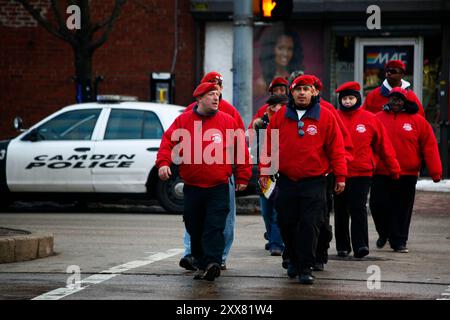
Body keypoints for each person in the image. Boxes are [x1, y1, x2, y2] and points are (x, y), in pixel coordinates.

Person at [156, 82, 252, 281]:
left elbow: (240, 149)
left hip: (219, 186)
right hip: (192, 187)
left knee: (215, 226)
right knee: (195, 226)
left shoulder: (227, 121)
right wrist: (163, 163)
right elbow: (168, 142)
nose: (216, 98)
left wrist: (243, 176)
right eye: (210, 94)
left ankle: (213, 262)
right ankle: (200, 262)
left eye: (217, 94)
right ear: (199, 98)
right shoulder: (183, 121)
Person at [259, 75, 347, 284]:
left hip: (315, 182)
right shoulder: (280, 116)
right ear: (292, 92)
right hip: (287, 181)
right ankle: (292, 258)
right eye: (298, 89)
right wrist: (264, 171)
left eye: (306, 89)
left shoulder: (325, 116)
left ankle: (305, 266)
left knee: (310, 224)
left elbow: (336, 148)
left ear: (314, 92)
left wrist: (341, 176)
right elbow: (269, 145)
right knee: (286, 223)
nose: (302, 93)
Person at [179, 71, 245, 271]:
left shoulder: (230, 112)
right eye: (210, 86)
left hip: (222, 175)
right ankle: (191, 254)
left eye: (218, 87)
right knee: (194, 220)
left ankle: (220, 256)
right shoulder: (190, 112)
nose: (215, 92)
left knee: (223, 219)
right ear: (201, 92)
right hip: (196, 177)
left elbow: (239, 142)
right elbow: (175, 138)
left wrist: (241, 173)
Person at [370, 87, 442, 253]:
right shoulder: (376, 119)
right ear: (388, 100)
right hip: (381, 171)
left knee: (402, 208)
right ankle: (384, 232)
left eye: (400, 99)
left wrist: (436, 172)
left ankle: (399, 240)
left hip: (407, 173)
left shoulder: (418, 121)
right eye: (393, 99)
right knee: (377, 205)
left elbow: (430, 147)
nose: (396, 102)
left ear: (406, 102)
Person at [334, 81, 401, 258]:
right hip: (338, 172)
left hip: (362, 172)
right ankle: (342, 246)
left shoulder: (370, 119)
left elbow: (383, 145)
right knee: (340, 210)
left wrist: (393, 166)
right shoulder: (334, 117)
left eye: (351, 98)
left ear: (357, 99)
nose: (348, 102)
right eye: (345, 99)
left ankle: (361, 245)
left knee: (358, 208)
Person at [250, 93, 289, 256]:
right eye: (281, 105)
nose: (284, 108)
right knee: (266, 211)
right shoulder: (260, 124)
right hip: (265, 171)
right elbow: (255, 149)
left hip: (283, 171)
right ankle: (272, 236)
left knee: (277, 211)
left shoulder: (289, 122)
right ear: (272, 107)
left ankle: (276, 243)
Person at [254, 26, 304, 99]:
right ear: (271, 50)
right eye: (281, 48)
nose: (285, 53)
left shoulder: (297, 78)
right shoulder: (262, 83)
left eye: (289, 49)